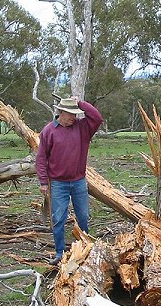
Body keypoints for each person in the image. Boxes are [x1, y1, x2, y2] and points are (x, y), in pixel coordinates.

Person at [36, 96, 104, 265]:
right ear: (61, 112)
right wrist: (43, 182)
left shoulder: (83, 128)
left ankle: (85, 247)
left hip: (79, 181)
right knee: (58, 218)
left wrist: (80, 102)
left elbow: (97, 117)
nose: (74, 117)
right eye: (71, 114)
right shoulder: (49, 131)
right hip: (58, 183)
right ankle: (60, 252)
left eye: (76, 113)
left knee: (83, 216)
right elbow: (41, 157)